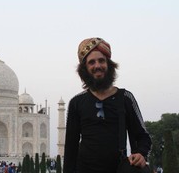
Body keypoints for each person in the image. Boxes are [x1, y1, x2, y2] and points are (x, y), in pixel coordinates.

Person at [63, 37, 152, 173]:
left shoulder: (125, 98)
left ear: (109, 64)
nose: (97, 66)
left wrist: (141, 153)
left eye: (101, 61)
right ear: (85, 69)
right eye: (91, 62)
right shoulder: (77, 102)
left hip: (118, 169)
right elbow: (71, 147)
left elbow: (143, 136)